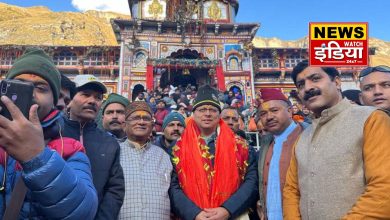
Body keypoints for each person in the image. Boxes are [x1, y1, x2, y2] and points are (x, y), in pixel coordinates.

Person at [283, 60, 390, 219]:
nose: (308, 88)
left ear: (337, 82)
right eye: (300, 85)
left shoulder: (371, 119)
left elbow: (383, 188)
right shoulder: (303, 137)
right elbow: (291, 190)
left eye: (315, 78)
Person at [0, 48, 97, 218]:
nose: (30, 93)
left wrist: (37, 158)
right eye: (19, 84)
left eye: (41, 88)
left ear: (54, 100)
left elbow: (84, 211)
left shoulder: (69, 149)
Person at [169, 85, 258, 220]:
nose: (207, 113)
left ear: (219, 115)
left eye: (213, 110)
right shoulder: (178, 148)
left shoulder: (241, 145)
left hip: (233, 214)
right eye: (202, 109)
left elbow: (251, 181)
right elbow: (173, 186)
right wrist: (194, 213)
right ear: (193, 114)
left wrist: (227, 209)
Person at [64, 74, 125, 220]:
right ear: (69, 100)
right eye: (85, 94)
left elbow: (114, 189)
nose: (92, 101)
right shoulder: (52, 133)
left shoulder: (109, 143)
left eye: (98, 98)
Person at [256, 88, 307, 220]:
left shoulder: (308, 136)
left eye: (274, 110)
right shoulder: (266, 143)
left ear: (290, 111)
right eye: (263, 113)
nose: (269, 117)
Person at [119, 101, 172, 219]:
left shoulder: (163, 156)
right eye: (136, 118)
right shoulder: (114, 153)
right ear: (125, 125)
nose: (141, 122)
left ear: (153, 126)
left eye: (146, 118)